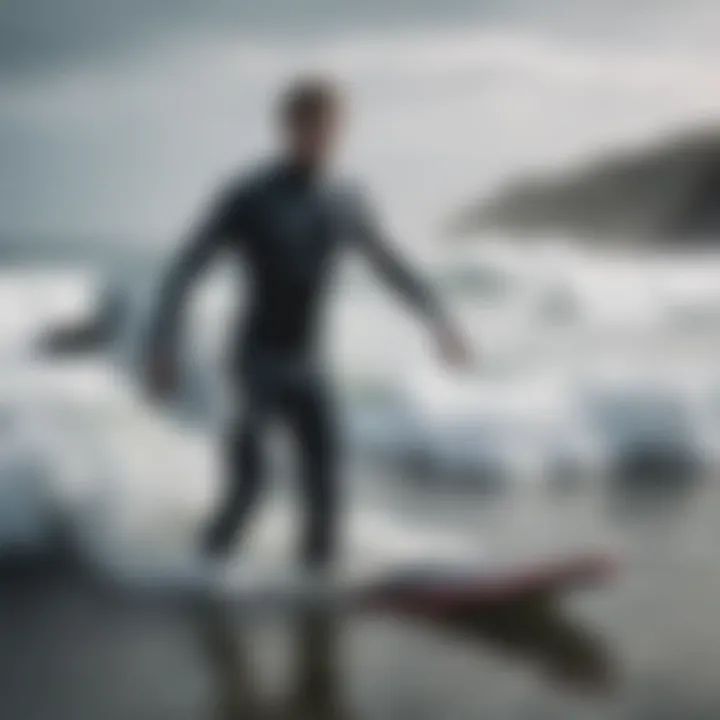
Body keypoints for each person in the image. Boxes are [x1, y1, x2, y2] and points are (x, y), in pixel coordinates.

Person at [145, 77, 472, 571]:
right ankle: (198, 581)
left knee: (327, 495)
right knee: (251, 489)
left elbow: (389, 265)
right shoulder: (249, 196)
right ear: (286, 129)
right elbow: (185, 267)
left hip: (309, 366)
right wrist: (163, 342)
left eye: (329, 126)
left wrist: (438, 319)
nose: (319, 136)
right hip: (253, 365)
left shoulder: (347, 199)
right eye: (308, 125)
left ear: (341, 129)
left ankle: (316, 595)